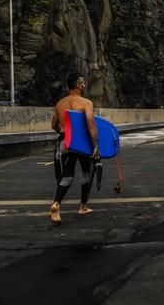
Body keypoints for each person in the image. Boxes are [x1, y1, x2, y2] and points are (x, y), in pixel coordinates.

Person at [49, 72, 99, 225]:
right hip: (82, 143)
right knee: (86, 173)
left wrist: (64, 134)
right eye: (82, 83)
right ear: (78, 85)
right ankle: (83, 206)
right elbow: (91, 124)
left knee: (67, 177)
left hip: (65, 142)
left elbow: (54, 125)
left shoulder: (60, 104)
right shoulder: (86, 103)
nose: (84, 85)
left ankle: (56, 204)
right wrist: (96, 144)